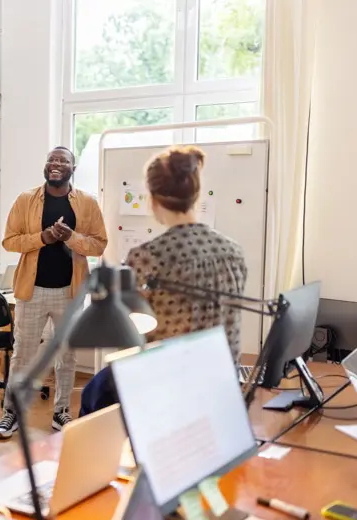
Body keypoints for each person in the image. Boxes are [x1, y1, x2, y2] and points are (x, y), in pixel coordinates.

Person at [80, 145, 248, 417]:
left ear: (152, 199)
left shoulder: (148, 256)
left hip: (168, 383)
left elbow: (130, 335)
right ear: (196, 194)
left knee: (94, 395)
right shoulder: (233, 251)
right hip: (221, 382)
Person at [0, 146, 108, 439]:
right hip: (30, 290)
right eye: (51, 159)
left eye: (63, 160)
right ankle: (12, 412)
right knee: (23, 354)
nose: (56, 163)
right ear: (46, 166)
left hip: (70, 293)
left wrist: (71, 238)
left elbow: (98, 245)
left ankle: (62, 411)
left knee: (66, 355)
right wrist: (43, 237)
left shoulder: (86, 203)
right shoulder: (26, 200)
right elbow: (9, 241)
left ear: (73, 167)